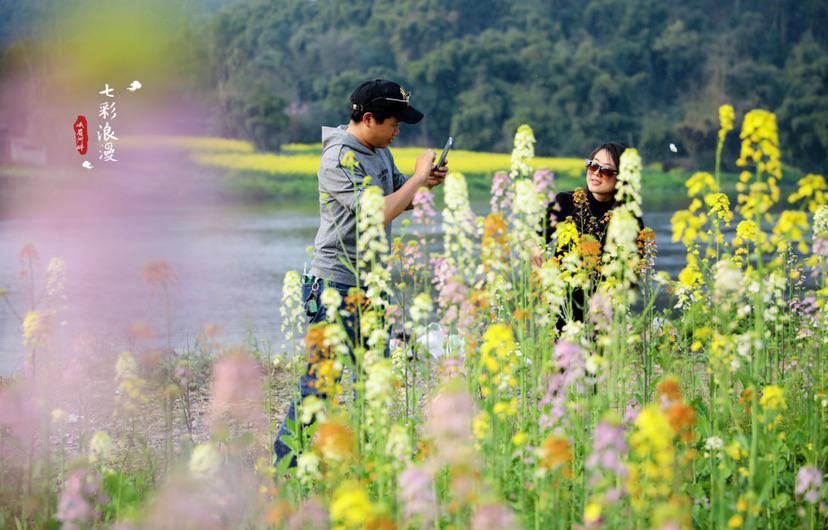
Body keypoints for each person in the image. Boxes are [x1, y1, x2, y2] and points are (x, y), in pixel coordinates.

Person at [274, 79, 447, 466]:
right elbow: (377, 213)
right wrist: (417, 180)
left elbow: (400, 198)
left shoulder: (378, 151)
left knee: (376, 381)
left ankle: (369, 463)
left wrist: (427, 183)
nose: (398, 131)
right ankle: (284, 465)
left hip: (372, 284)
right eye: (394, 123)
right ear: (368, 118)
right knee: (320, 383)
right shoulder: (338, 158)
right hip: (336, 284)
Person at [533, 141, 643, 322]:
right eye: (592, 165)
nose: (596, 173)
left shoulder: (629, 217)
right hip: (563, 310)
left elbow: (633, 273)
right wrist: (536, 248)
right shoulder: (566, 202)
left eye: (606, 170)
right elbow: (535, 236)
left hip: (605, 315)